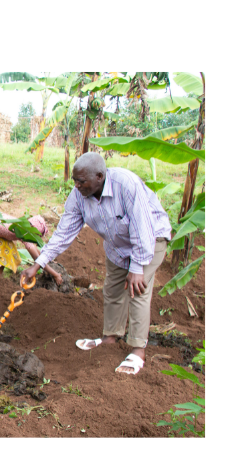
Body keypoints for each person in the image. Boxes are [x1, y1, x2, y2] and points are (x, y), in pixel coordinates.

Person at [21, 152, 171, 375]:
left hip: (150, 241)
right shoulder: (79, 195)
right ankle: (110, 338)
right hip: (117, 246)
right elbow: (64, 232)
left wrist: (137, 267)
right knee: (112, 289)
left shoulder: (126, 185)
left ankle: (138, 350)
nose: (77, 185)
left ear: (100, 176)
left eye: (81, 181)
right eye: (74, 180)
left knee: (137, 289)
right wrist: (38, 264)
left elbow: (143, 227)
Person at [0, 209, 63, 285]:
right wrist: (55, 274)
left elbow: (37, 252)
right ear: (32, 230)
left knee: (5, 253)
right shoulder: (23, 233)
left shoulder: (23, 226)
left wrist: (48, 259)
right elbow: (38, 259)